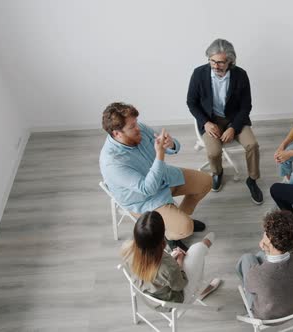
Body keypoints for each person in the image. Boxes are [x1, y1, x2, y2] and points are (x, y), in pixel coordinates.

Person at [100, 102, 211, 251]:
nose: (138, 127)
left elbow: (166, 144)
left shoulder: (138, 130)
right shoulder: (112, 162)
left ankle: (177, 219)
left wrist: (170, 144)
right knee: (186, 228)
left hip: (164, 177)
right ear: (117, 133)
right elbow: (148, 189)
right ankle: (170, 234)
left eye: (136, 123)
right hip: (146, 199)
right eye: (132, 127)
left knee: (206, 181)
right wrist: (160, 155)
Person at [187, 38, 263, 204]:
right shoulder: (199, 73)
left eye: (220, 62)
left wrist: (233, 128)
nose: (215, 66)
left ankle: (252, 179)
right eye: (212, 61)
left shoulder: (241, 75)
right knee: (214, 152)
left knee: (252, 145)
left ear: (230, 60)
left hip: (235, 119)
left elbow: (246, 106)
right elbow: (191, 102)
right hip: (210, 120)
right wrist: (206, 123)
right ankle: (218, 173)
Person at [121, 211, 221, 311]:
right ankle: (201, 288)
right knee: (198, 248)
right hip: (171, 303)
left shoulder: (127, 250)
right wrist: (179, 260)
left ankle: (200, 282)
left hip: (146, 295)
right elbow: (181, 284)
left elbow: (156, 269)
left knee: (194, 254)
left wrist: (171, 259)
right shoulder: (167, 267)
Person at [236, 210, 293, 320]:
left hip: (268, 317)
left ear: (267, 243)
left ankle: (247, 305)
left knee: (247, 258)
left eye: (265, 234)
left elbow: (250, 288)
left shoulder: (257, 275)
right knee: (259, 255)